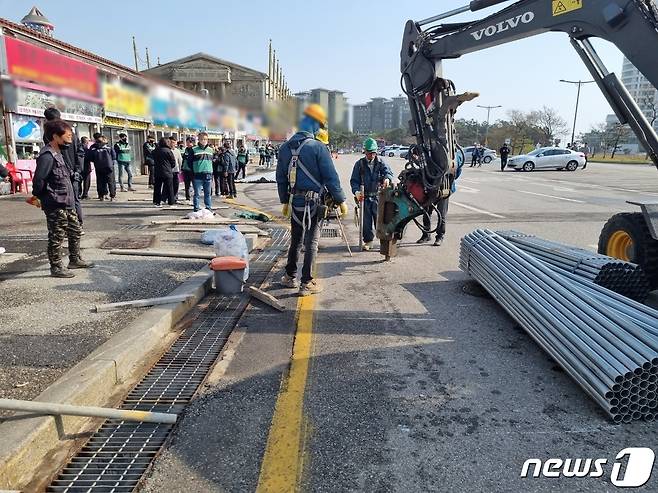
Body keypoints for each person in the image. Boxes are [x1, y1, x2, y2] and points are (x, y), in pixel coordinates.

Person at [276, 104, 347, 296]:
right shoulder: (317, 147)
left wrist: (284, 201)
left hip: (295, 203)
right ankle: (306, 282)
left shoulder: (284, 148)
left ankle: (289, 276)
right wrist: (341, 200)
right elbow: (331, 177)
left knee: (296, 240)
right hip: (314, 203)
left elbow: (281, 178)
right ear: (315, 123)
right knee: (312, 242)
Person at [32, 120, 94, 278]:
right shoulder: (47, 155)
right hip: (55, 203)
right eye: (68, 136)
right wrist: (41, 197)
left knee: (75, 231)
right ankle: (56, 267)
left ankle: (74, 259)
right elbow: (39, 180)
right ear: (55, 136)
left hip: (67, 201)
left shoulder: (59, 152)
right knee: (56, 236)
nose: (70, 139)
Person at [44, 108, 85, 228]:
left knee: (62, 201)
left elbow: (55, 155)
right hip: (71, 171)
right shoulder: (69, 131)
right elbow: (80, 152)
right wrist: (78, 169)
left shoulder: (50, 134)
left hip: (60, 173)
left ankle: (71, 227)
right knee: (74, 199)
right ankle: (77, 226)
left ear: (47, 119)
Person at [350, 138, 394, 251]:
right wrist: (356, 192)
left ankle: (383, 242)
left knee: (381, 221)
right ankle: (368, 241)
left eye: (373, 152)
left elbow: (388, 173)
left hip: (378, 197)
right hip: (364, 197)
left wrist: (387, 179)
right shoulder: (359, 164)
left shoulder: (381, 162)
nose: (372, 155)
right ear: (365, 151)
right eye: (369, 152)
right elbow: (354, 181)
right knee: (366, 222)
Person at [416, 150, 464, 246]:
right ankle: (426, 234)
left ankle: (440, 236)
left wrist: (448, 180)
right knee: (426, 211)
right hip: (430, 186)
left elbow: (456, 171)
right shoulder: (429, 150)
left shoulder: (454, 154)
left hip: (444, 188)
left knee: (441, 214)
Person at [85, 133, 116, 201]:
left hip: (98, 166)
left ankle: (101, 195)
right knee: (111, 181)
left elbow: (90, 157)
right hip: (109, 166)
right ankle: (112, 196)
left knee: (100, 181)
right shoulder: (108, 146)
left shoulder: (93, 147)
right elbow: (114, 156)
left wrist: (96, 160)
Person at [191, 132, 214, 212]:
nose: (203, 141)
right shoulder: (193, 149)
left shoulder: (211, 150)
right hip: (197, 175)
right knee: (197, 194)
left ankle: (208, 208)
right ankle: (196, 208)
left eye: (205, 139)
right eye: (202, 139)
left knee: (208, 194)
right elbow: (189, 162)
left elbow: (212, 162)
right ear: (199, 139)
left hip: (208, 175)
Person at [152, 137, 176, 207]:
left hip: (157, 172)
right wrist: (170, 167)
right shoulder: (168, 151)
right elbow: (173, 162)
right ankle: (171, 203)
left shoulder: (155, 151)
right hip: (167, 172)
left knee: (157, 187)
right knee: (169, 188)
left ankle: (157, 202)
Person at [182, 137, 195, 204]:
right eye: (186, 142)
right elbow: (184, 158)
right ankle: (187, 197)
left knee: (194, 184)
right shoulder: (186, 149)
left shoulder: (194, 149)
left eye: (188, 142)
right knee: (186, 185)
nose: (187, 144)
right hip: (185, 169)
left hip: (192, 170)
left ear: (192, 143)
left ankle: (194, 198)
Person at [170, 136, 183, 202]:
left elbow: (180, 160)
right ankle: (170, 197)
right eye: (172, 142)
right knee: (169, 185)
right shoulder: (168, 150)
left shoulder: (177, 151)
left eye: (174, 142)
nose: (173, 144)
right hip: (169, 171)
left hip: (176, 170)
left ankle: (175, 197)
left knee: (176, 185)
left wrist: (181, 169)